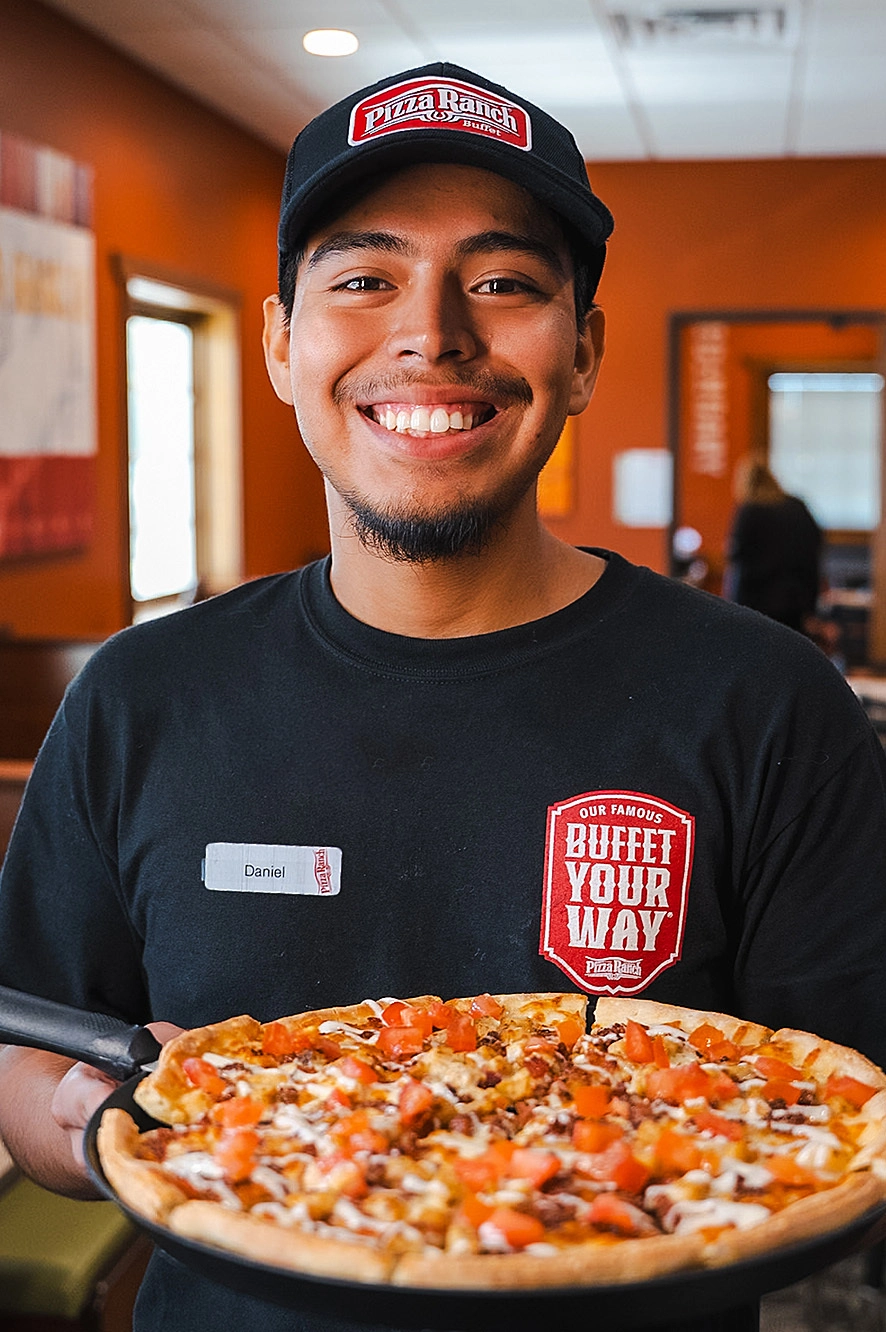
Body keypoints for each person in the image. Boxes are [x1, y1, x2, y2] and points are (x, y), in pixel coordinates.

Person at [1, 61, 886, 1332]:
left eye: (502, 282)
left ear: (581, 353)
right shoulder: (141, 697)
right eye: (364, 278)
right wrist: (100, 1127)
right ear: (279, 345)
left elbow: (840, 1108)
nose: (431, 331)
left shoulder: (768, 700)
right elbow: (26, 1052)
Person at [724, 458, 823, 633]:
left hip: (756, 601)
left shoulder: (750, 510)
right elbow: (815, 548)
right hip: (796, 599)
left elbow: (736, 555)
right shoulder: (797, 507)